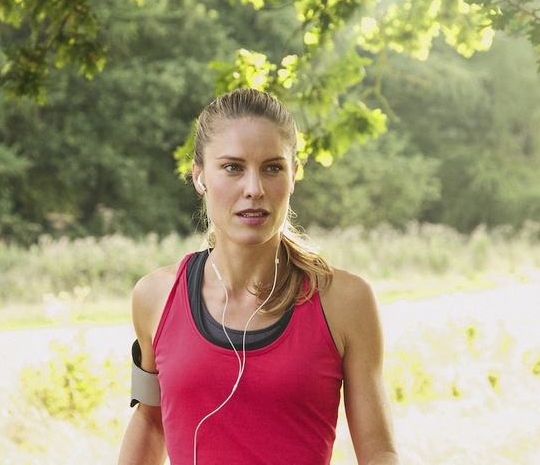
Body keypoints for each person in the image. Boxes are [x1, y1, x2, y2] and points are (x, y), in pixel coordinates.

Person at [117, 88, 399, 465]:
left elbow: (379, 453)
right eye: (233, 167)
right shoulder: (155, 296)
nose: (254, 189)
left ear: (294, 174)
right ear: (199, 176)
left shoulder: (345, 301)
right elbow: (151, 422)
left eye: (272, 167)